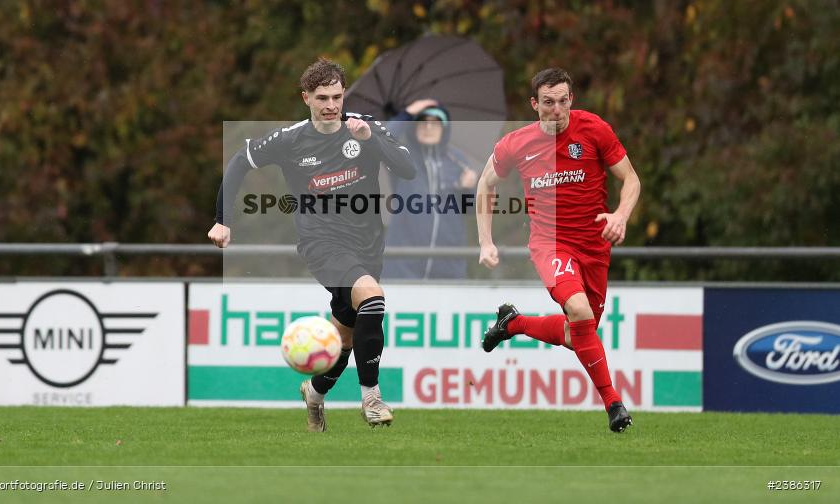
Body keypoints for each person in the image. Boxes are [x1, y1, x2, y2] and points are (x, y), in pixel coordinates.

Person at [207, 58, 416, 432]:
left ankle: (315, 394)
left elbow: (407, 168)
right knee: (372, 297)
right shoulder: (291, 139)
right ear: (306, 98)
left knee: (346, 336)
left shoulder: (364, 129)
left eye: (337, 96)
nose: (331, 105)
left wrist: (372, 141)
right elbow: (240, 161)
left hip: (368, 243)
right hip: (321, 242)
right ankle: (371, 397)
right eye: (322, 97)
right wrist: (223, 219)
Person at [476, 67, 641, 432]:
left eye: (562, 101)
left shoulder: (594, 129)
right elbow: (485, 185)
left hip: (595, 245)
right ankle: (614, 404)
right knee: (579, 311)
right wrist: (485, 240)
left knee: (579, 332)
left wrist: (621, 215)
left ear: (571, 100)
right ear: (534, 105)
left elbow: (630, 178)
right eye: (547, 102)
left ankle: (513, 323)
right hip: (550, 244)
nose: (556, 109)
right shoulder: (516, 143)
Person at [383, 99, 478, 280]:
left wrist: (467, 190)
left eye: (435, 123)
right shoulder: (403, 155)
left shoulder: (457, 159)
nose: (428, 127)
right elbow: (382, 140)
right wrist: (407, 113)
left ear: (444, 128)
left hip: (449, 265)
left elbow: (470, 210)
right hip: (403, 265)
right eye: (422, 121)